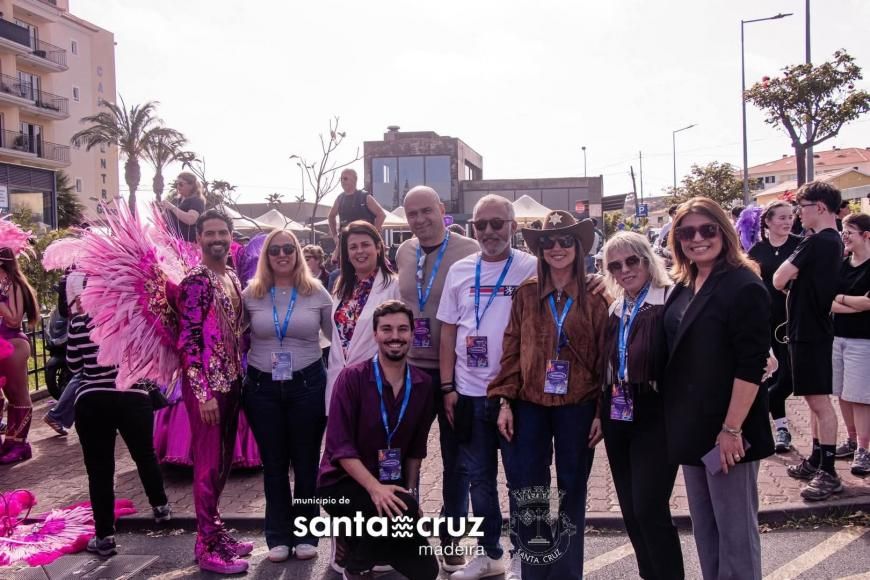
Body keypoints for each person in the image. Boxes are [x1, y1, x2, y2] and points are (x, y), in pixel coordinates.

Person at [489, 210, 607, 580]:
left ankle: (568, 573)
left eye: (565, 241)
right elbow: (511, 347)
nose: (557, 248)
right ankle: (535, 571)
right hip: (530, 405)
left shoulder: (596, 295)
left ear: (578, 246)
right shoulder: (526, 293)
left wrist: (601, 411)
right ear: (539, 249)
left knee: (573, 488)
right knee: (530, 491)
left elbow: (607, 358)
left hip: (579, 406)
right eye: (549, 242)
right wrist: (505, 401)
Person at [662, 196, 773, 580]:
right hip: (693, 429)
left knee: (735, 535)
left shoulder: (743, 286)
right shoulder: (686, 282)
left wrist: (731, 430)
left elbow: (751, 365)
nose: (697, 238)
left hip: (728, 433)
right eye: (687, 231)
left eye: (707, 230)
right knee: (706, 531)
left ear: (724, 233)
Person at [436, 195, 538, 580]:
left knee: (519, 480)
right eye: (482, 225)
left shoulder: (531, 267)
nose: (490, 232)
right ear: (473, 228)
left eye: (498, 223)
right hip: (468, 393)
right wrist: (448, 386)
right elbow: (448, 331)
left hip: (516, 396)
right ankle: (491, 554)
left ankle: (525, 558)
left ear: (512, 225)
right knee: (480, 480)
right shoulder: (461, 271)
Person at [317, 300, 438, 580]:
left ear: (411, 334)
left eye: (402, 329)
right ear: (375, 335)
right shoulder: (351, 379)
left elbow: (415, 451)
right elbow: (340, 447)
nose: (395, 336)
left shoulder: (422, 384)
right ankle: (357, 566)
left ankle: (361, 540)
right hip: (342, 483)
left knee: (427, 571)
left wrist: (411, 496)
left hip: (389, 484)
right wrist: (375, 489)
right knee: (394, 510)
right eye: (387, 329)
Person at [396, 185, 479, 571]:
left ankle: (451, 538)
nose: (419, 220)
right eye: (412, 214)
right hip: (410, 371)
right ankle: (403, 536)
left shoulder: (469, 250)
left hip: (453, 373)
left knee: (457, 461)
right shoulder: (403, 251)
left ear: (442, 210)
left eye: (426, 211)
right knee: (401, 455)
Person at [242, 229, 332, 563]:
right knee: (275, 465)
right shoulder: (251, 293)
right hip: (262, 388)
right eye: (275, 250)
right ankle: (278, 535)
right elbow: (232, 335)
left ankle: (306, 532)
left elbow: (337, 339)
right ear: (266, 256)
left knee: (306, 463)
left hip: (307, 385)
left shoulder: (316, 291)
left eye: (289, 249)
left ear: (297, 254)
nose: (282, 255)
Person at [600, 231, 684, 580]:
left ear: (647, 259)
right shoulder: (617, 305)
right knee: (632, 511)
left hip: (656, 413)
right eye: (615, 265)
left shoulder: (670, 299)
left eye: (631, 260)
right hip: (618, 413)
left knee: (650, 507)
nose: (624, 270)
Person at [70, 287, 172, 557]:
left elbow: (73, 364)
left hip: (92, 399)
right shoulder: (132, 318)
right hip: (132, 396)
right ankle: (160, 506)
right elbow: (145, 356)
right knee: (144, 455)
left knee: (100, 469)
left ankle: (104, 536)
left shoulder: (79, 322)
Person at [177, 210, 252, 574]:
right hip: (208, 387)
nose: (217, 239)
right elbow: (188, 341)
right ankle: (206, 545)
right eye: (210, 234)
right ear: (199, 239)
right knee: (207, 466)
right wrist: (201, 391)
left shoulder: (232, 277)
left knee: (222, 463)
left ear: (231, 235)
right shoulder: (196, 280)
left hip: (233, 382)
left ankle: (217, 531)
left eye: (223, 232)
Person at [774, 181, 845, 501]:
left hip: (810, 332)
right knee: (814, 401)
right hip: (812, 328)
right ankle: (817, 457)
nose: (797, 215)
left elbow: (777, 278)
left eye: (801, 208)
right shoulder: (833, 243)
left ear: (819, 207)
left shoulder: (816, 243)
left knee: (819, 403)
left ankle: (828, 471)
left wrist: (791, 279)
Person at [748, 201, 802, 452]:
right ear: (767, 221)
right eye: (781, 217)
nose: (787, 221)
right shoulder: (757, 250)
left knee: (790, 377)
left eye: (790, 217)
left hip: (793, 320)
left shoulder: (800, 245)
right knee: (769, 373)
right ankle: (781, 428)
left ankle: (757, 406)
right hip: (763, 320)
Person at [830, 212, 870, 476]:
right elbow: (827, 301)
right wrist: (854, 302)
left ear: (866, 236)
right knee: (843, 393)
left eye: (849, 232)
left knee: (860, 397)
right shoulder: (842, 264)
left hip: (863, 341)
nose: (844, 236)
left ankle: (864, 450)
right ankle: (852, 438)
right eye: (843, 231)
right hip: (837, 337)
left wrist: (840, 299)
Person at [0, 239, 39, 465]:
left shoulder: (13, 284)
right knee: (6, 395)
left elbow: (14, 319)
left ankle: (20, 444)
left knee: (18, 394)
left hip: (12, 343)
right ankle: (9, 442)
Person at [328, 168, 387, 244]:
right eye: (341, 179)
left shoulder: (364, 196)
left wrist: (373, 235)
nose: (342, 181)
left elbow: (381, 215)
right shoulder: (340, 199)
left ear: (354, 180)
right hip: (346, 242)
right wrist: (335, 236)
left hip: (364, 242)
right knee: (335, 256)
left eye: (345, 178)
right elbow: (331, 216)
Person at [161, 172, 207, 243]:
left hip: (188, 244)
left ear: (191, 185)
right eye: (177, 184)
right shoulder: (177, 200)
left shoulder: (196, 200)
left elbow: (191, 219)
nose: (178, 187)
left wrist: (172, 207)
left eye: (181, 184)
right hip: (174, 241)